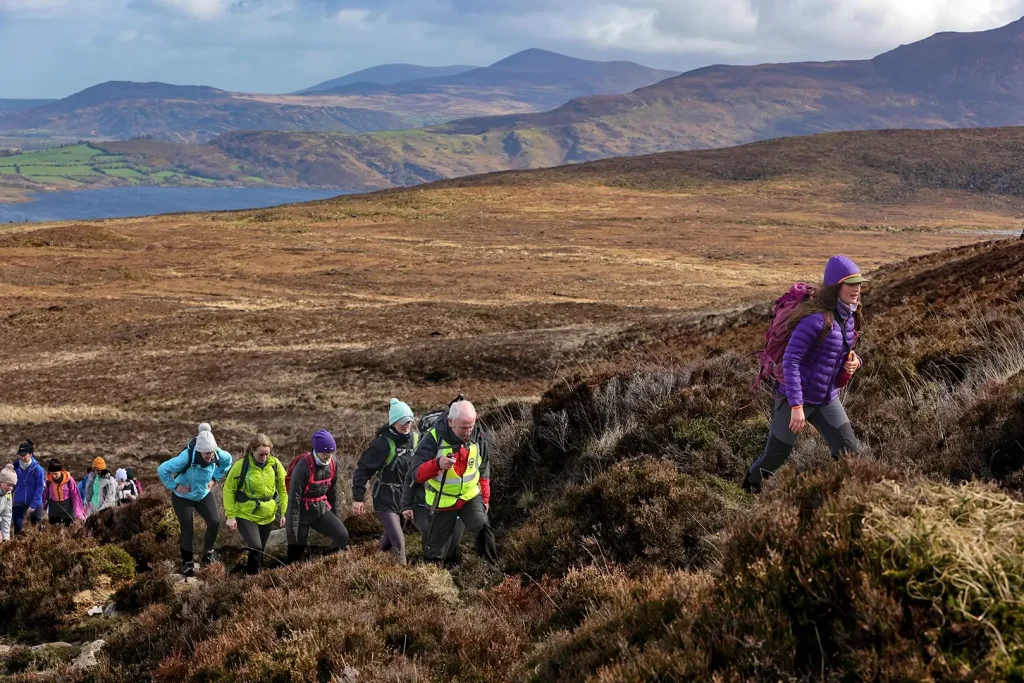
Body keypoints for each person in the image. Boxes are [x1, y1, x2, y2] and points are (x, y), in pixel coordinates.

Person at [743, 255, 867, 493]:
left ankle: (843, 498)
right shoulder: (814, 320)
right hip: (793, 399)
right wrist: (797, 406)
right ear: (836, 287)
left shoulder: (849, 316)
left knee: (850, 453)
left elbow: (844, 352)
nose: (856, 289)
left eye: (859, 283)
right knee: (776, 456)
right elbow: (791, 360)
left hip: (826, 399)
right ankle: (751, 486)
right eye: (850, 283)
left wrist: (856, 362)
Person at [413, 400, 498, 565]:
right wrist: (437, 464)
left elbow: (484, 468)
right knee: (435, 551)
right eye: (463, 427)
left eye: (471, 426)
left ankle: (493, 574)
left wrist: (485, 499)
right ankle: (432, 581)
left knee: (484, 531)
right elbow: (416, 473)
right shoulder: (433, 438)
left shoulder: (477, 435)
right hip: (442, 501)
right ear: (450, 422)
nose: (468, 432)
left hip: (469, 496)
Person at [157, 423, 233, 577]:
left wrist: (215, 477)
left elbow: (228, 461)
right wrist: (174, 486)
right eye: (206, 454)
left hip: (202, 495)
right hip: (182, 497)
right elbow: (162, 469)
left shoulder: (217, 454)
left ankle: (208, 553)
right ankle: (187, 562)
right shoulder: (185, 458)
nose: (209, 456)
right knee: (188, 529)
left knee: (214, 521)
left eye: (211, 453)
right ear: (199, 450)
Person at [352, 398, 421, 564]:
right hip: (385, 499)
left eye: (409, 422)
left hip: (406, 499)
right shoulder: (382, 444)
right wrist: (358, 498)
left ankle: (365, 561)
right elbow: (362, 470)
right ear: (393, 422)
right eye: (402, 422)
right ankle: (402, 581)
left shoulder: (418, 439)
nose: (406, 426)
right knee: (399, 542)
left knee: (389, 540)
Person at [223, 434, 287, 575]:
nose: (264, 457)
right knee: (256, 547)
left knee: (260, 550)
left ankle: (252, 576)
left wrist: (284, 512)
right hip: (245, 514)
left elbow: (284, 488)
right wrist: (231, 516)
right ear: (252, 451)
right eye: (261, 454)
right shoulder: (241, 466)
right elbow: (229, 490)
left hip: (268, 514)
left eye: (267, 454)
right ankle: (253, 579)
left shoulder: (275, 464)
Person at [286, 430, 349, 564]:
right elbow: (293, 500)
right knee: (295, 554)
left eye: (331, 452)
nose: (328, 455)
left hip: (320, 510)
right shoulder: (302, 467)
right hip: (302, 514)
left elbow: (333, 493)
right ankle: (286, 577)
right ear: (316, 450)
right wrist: (292, 533)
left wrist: (335, 519)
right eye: (325, 452)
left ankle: (332, 566)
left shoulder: (333, 463)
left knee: (342, 536)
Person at [11, 440, 44, 534]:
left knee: (36, 526)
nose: (21, 457)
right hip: (19, 501)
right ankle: (17, 546)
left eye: (24, 455)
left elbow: (40, 488)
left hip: (35, 502)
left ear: (30, 454)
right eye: (20, 455)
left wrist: (33, 505)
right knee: (17, 525)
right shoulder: (15, 467)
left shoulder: (38, 470)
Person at [42, 459, 84, 526]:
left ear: (61, 471)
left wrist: (78, 514)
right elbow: (44, 495)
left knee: (68, 530)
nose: (53, 476)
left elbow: (75, 496)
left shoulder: (69, 480)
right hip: (54, 509)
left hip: (68, 508)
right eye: (52, 474)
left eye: (55, 474)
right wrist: (41, 507)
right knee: (54, 530)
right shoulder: (48, 481)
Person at [0, 464, 16, 542]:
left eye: (13, 485)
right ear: (1, 482)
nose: (10, 488)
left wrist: (6, 536)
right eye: (9, 484)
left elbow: (7, 514)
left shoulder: (8, 493)